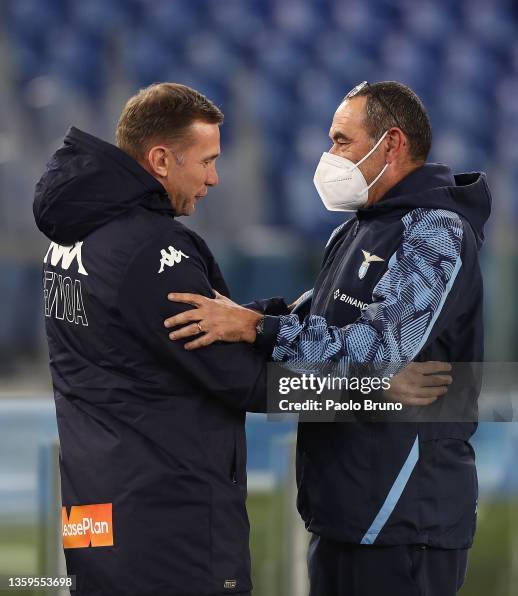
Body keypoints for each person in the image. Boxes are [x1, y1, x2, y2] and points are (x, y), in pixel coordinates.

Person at [164, 81, 491, 596]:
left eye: (342, 140)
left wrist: (255, 328)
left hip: (405, 516)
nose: (329, 156)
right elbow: (314, 319)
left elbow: (378, 352)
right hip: (343, 506)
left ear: (392, 144)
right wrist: (240, 316)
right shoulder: (355, 230)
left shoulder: (436, 231)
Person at [33, 83, 269, 596]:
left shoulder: (70, 236)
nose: (213, 178)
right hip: (168, 529)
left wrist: (262, 314)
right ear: (161, 159)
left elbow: (137, 343)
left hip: (93, 514)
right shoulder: (152, 248)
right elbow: (240, 380)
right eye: (205, 161)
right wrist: (364, 386)